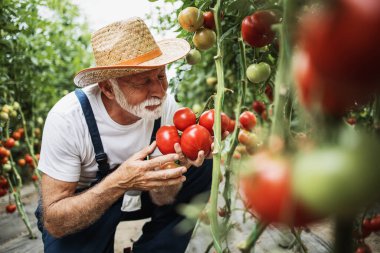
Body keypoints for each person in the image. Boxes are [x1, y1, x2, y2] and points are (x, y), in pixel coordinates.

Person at [35, 17, 213, 253]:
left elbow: (163, 199)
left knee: (202, 170)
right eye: (142, 82)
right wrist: (120, 181)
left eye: (161, 76)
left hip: (142, 196)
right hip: (87, 203)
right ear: (108, 88)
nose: (159, 92)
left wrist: (175, 171)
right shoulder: (68, 118)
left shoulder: (167, 109)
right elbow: (55, 222)